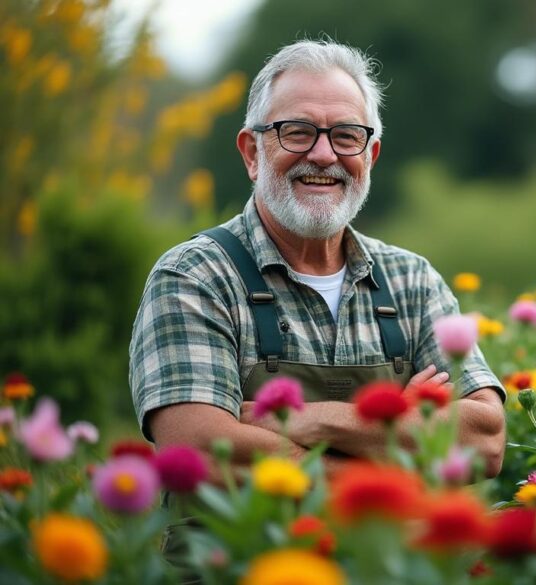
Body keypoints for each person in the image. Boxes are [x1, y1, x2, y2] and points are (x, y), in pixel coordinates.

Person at [129, 40, 506, 478]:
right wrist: (392, 435)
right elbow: (201, 452)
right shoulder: (196, 277)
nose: (324, 155)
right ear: (252, 152)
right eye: (297, 131)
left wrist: (309, 419)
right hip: (241, 549)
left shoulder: (412, 280)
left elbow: (486, 440)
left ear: (370, 156)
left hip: (392, 549)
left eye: (346, 136)